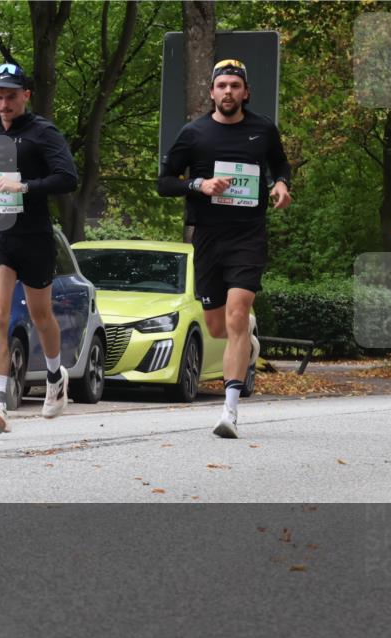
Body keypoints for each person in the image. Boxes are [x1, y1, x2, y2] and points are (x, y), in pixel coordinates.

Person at [157, 59, 292, 438]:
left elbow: (280, 164)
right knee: (219, 326)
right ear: (212, 92)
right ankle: (245, 337)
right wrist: (198, 185)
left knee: (236, 314)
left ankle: (229, 411)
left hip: (248, 235)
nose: (228, 92)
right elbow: (164, 182)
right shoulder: (194, 133)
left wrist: (281, 184)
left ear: (246, 92)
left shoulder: (263, 129)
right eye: (222, 86)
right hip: (208, 237)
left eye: (235, 85)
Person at [0, 63, 79, 434]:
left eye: (11, 96)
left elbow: (68, 178)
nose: (4, 103)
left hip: (34, 236)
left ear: (26, 95)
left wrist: (26, 187)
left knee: (41, 314)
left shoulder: (43, 132)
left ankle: (54, 375)